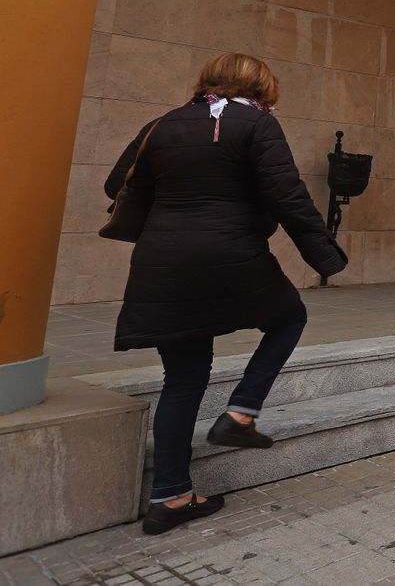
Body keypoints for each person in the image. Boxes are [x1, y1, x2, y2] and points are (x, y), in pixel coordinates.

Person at [104, 53, 346, 535]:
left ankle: (170, 498)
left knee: (183, 379)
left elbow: (116, 185)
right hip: (230, 254)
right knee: (289, 317)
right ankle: (240, 413)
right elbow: (288, 195)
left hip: (163, 262)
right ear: (261, 89)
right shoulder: (255, 124)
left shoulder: (161, 124)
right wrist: (327, 258)